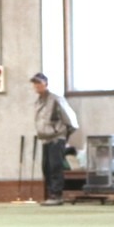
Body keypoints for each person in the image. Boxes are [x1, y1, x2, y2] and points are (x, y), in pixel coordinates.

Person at [30, 72, 79, 205]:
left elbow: (71, 120)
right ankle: (51, 194)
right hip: (45, 139)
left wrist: (62, 134)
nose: (37, 86)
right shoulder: (37, 102)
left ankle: (56, 195)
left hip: (57, 138)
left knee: (55, 166)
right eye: (35, 83)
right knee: (46, 167)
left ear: (46, 84)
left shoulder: (56, 99)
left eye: (39, 83)